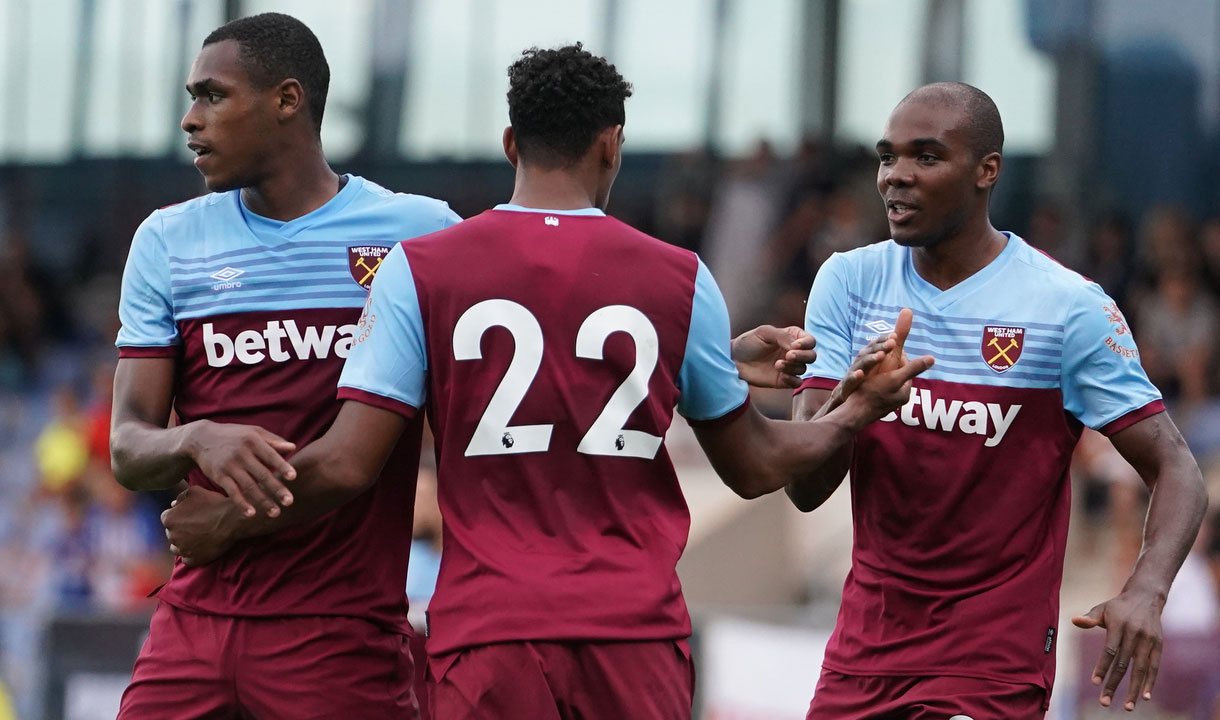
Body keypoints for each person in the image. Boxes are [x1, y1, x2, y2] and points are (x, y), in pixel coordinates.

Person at [162, 44, 932, 719]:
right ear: (613, 146)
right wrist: (854, 411)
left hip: (488, 638)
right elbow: (759, 465)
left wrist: (229, 521)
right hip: (631, 637)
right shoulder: (679, 278)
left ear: (509, 142)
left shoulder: (424, 270)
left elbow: (347, 463)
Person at [786, 82, 1207, 718]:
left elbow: (1178, 467)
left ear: (987, 171)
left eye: (925, 157)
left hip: (991, 663)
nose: (896, 177)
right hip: (863, 652)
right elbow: (805, 487)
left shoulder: (1067, 306)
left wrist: (1147, 588)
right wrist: (854, 403)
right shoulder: (849, 281)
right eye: (887, 156)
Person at [109, 13, 462, 719]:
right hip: (194, 623)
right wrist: (193, 437)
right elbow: (127, 446)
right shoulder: (167, 240)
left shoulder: (420, 234)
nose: (190, 120)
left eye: (212, 95)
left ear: (288, 100)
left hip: (342, 634)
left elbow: (535, 331)